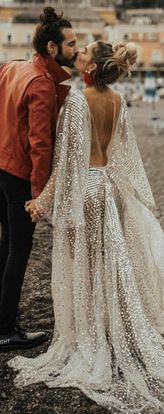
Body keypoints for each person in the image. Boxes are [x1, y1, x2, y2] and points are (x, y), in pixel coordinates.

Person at [8, 41, 164, 414]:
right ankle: (115, 330)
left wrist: (41, 202)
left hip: (88, 191)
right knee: (113, 264)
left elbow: (67, 163)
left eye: (84, 50)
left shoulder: (79, 101)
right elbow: (123, 154)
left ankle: (97, 334)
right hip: (110, 188)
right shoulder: (116, 99)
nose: (78, 51)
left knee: (91, 266)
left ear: (92, 67)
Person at [0, 7, 78, 351]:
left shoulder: (13, 67)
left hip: (1, 167)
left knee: (5, 245)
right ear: (52, 47)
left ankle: (1, 317)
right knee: (19, 249)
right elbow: (40, 146)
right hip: (18, 175)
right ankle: (5, 329)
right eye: (72, 44)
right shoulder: (42, 84)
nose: (77, 49)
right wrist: (40, 197)